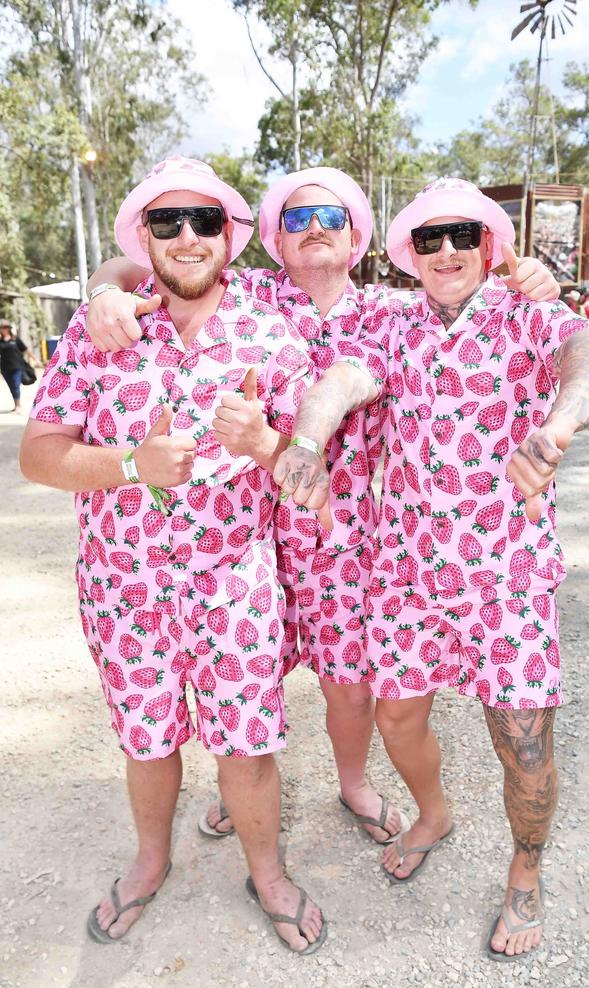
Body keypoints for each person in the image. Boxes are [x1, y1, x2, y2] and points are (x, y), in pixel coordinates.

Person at [84, 167, 561, 848]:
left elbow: (478, 300)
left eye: (332, 218)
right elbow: (140, 261)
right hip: (247, 534)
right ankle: (240, 787)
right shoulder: (240, 291)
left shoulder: (393, 311)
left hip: (353, 538)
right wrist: (104, 288)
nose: (314, 229)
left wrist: (530, 276)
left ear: (358, 238)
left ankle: (352, 781)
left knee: (349, 680)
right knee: (243, 676)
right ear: (274, 240)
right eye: (298, 219)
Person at [273, 178, 589, 961]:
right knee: (397, 718)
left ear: (489, 245)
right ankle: (434, 813)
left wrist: (558, 425)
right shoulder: (394, 324)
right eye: (428, 239)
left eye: (463, 235)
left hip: (508, 576)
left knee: (523, 743)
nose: (447, 251)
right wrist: (305, 441)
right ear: (410, 255)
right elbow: (343, 381)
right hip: (408, 576)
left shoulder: (530, 313)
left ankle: (526, 872)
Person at [19, 156, 327, 955]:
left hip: (235, 589)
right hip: (125, 591)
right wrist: (130, 464)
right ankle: (150, 863)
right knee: (147, 743)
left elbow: (309, 478)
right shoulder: (102, 334)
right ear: (145, 238)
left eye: (204, 221)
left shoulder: (272, 330)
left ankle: (268, 873)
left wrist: (265, 445)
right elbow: (39, 455)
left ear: (231, 234)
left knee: (246, 748)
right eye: (168, 222)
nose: (187, 237)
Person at [0, 320, 37, 413]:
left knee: (16, 385)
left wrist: (36, 360)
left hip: (17, 367)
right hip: (4, 368)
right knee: (11, 387)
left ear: (9, 329)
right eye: (2, 328)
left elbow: (25, 350)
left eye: (5, 327)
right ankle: (16, 404)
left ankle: (18, 405)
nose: (4, 329)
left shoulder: (15, 339)